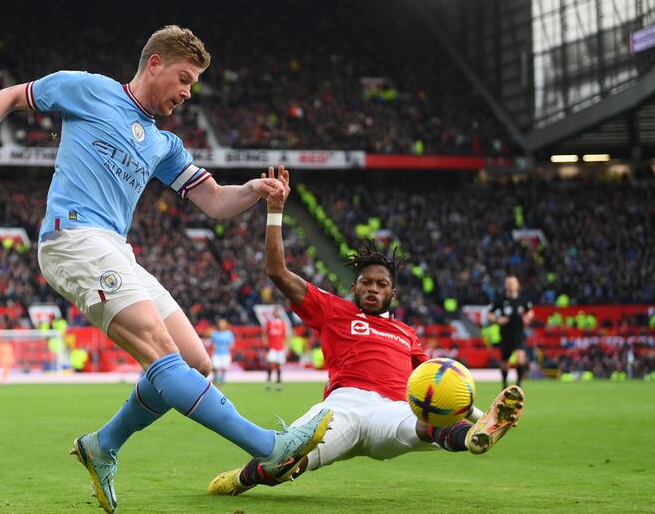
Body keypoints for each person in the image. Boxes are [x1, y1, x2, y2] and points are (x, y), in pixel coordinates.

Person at [0, 25, 332, 513]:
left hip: (116, 250)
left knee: (195, 364)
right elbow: (8, 97)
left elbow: (212, 202)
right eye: (184, 79)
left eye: (193, 85)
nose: (188, 93)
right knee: (164, 354)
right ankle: (270, 447)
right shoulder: (89, 89)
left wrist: (255, 190)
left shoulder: (165, 145)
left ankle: (102, 446)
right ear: (155, 64)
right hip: (73, 238)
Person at [208, 166, 524, 496]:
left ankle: (475, 436)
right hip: (342, 406)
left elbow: (437, 385)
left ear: (393, 293)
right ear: (355, 286)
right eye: (366, 282)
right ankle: (242, 479)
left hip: (393, 410)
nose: (373, 288)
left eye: (381, 284)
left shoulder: (406, 333)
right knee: (284, 461)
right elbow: (277, 271)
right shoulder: (333, 309)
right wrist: (275, 211)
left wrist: (480, 414)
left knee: (428, 425)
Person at [487, 275, 534, 388]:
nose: (511, 285)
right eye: (508, 283)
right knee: (504, 362)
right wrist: (498, 319)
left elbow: (531, 311)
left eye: (513, 283)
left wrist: (528, 318)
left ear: (517, 285)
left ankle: (518, 385)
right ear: (505, 285)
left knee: (520, 357)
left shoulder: (523, 299)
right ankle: (504, 384)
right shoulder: (501, 300)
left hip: (519, 333)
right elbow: (489, 314)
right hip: (505, 334)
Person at [263, 305, 289, 391]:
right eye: (275, 312)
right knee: (270, 364)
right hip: (272, 347)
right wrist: (265, 345)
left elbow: (285, 336)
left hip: (280, 348)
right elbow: (265, 334)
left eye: (278, 312)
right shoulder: (269, 323)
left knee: (279, 365)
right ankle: (269, 380)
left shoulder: (282, 323)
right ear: (273, 313)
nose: (277, 313)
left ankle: (278, 382)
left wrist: (286, 348)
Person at [209, 318, 235, 385]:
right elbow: (212, 343)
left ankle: (222, 381)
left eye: (223, 323)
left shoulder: (229, 334)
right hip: (216, 353)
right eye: (220, 323)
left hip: (225, 353)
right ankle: (216, 377)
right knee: (215, 367)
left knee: (224, 368)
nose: (221, 325)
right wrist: (213, 346)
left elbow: (232, 344)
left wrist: (229, 347)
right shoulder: (214, 333)